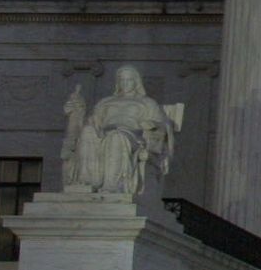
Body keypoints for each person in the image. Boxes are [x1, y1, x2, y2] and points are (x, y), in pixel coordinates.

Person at [62, 65, 181, 195]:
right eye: (122, 80)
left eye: (129, 80)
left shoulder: (147, 103)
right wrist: (77, 111)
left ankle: (114, 185)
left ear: (136, 82)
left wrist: (152, 124)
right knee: (87, 132)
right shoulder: (105, 102)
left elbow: (163, 125)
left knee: (116, 137)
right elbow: (91, 121)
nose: (125, 83)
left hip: (133, 134)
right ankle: (86, 181)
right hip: (104, 132)